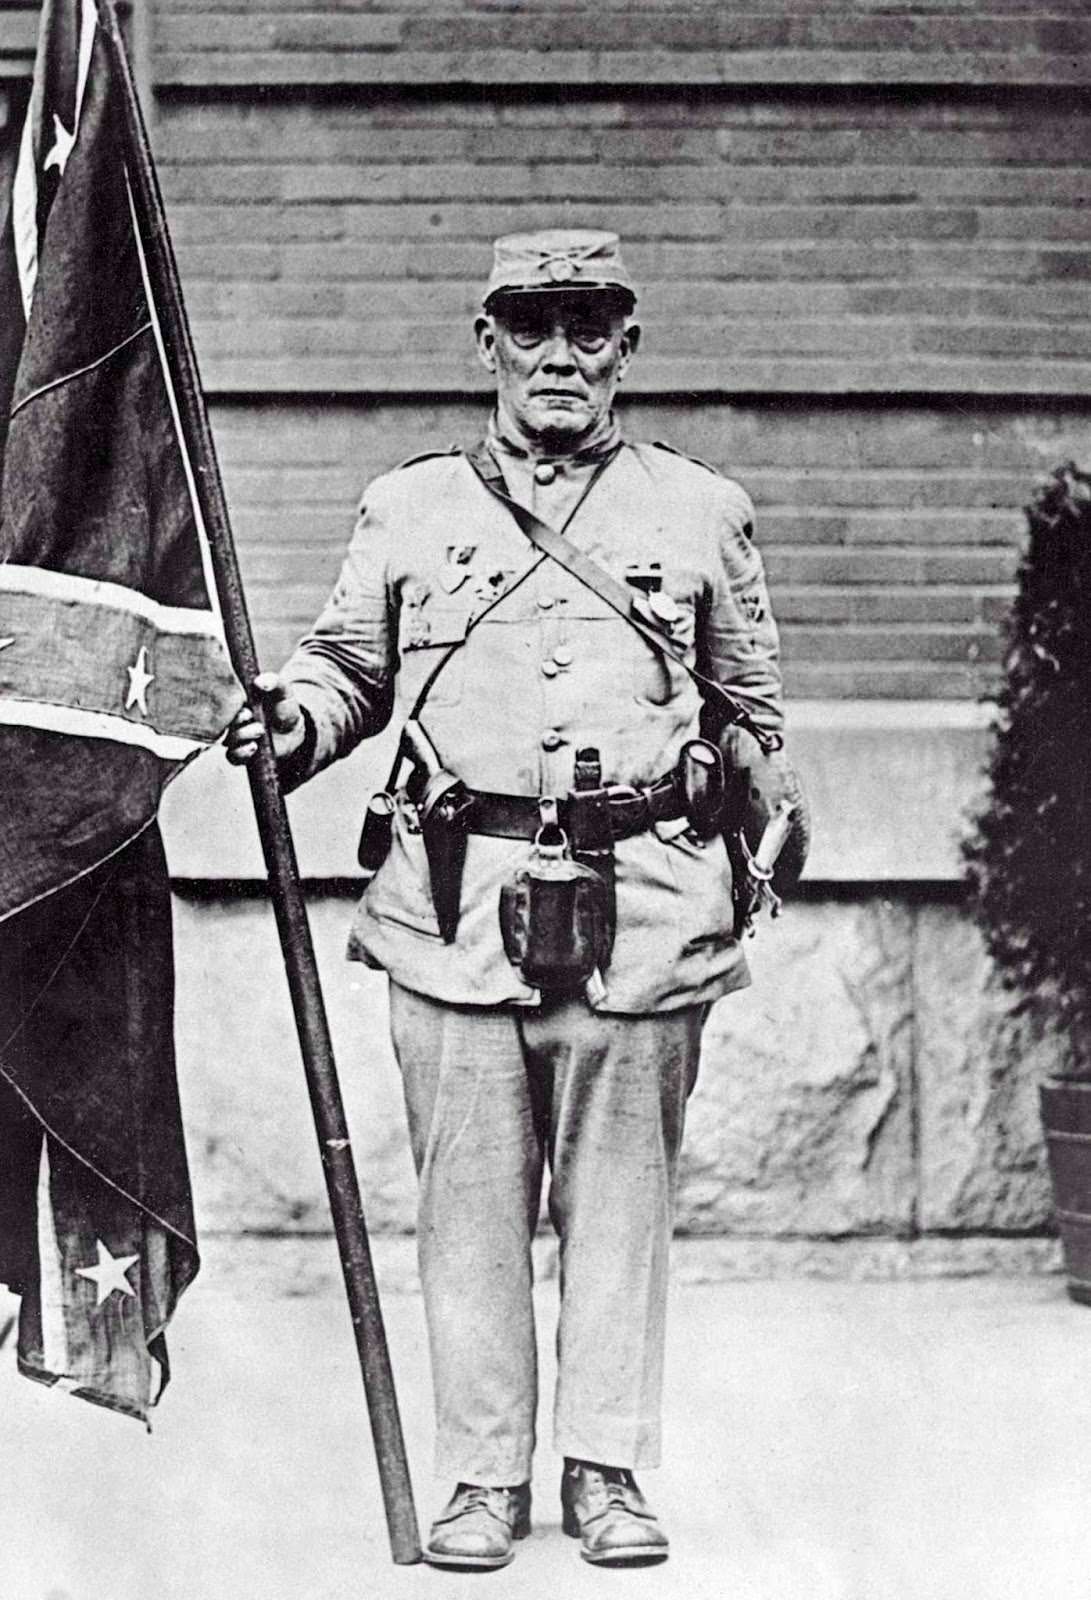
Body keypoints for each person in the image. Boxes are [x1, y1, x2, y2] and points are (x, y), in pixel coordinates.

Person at [226, 228, 785, 1571]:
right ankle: (483, 1478)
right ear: (486, 342)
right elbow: (343, 673)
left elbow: (757, 710)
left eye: (587, 328)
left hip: (645, 912)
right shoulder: (410, 509)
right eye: (530, 325)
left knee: (620, 1205)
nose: (559, 356)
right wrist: (289, 727)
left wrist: (761, 814)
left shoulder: (700, 512)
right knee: (469, 1210)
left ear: (626, 348)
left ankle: (605, 1471)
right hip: (455, 906)